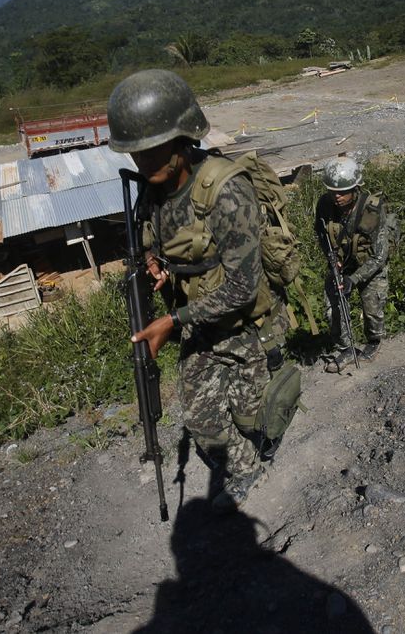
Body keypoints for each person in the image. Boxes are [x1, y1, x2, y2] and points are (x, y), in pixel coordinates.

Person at [110, 69, 289, 512]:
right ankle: (246, 471)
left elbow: (242, 290)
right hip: (201, 326)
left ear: (182, 141)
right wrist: (156, 264)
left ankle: (258, 452)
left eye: (152, 150)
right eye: (136, 153)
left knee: (253, 417)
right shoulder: (153, 190)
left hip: (246, 325)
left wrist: (171, 322)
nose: (142, 162)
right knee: (202, 420)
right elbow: (160, 237)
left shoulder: (228, 194)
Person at [314, 156, 393, 368]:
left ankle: (374, 342)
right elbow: (322, 236)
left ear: (355, 188)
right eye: (332, 192)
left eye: (342, 192)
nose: (336, 196)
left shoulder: (373, 210)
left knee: (372, 308)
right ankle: (346, 348)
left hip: (370, 265)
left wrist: (355, 279)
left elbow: (380, 255)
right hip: (342, 264)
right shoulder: (324, 205)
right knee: (333, 306)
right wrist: (333, 261)